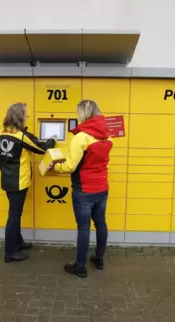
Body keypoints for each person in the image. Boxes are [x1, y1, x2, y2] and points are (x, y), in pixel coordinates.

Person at [49, 100, 112, 278]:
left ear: (83, 114)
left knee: (84, 228)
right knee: (101, 223)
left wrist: (55, 168)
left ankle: (81, 266)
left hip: (84, 190)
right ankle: (99, 259)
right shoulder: (107, 134)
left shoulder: (81, 137)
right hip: (102, 187)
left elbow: (69, 166)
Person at [0, 102, 56, 263]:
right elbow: (41, 148)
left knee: (16, 213)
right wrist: (52, 140)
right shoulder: (21, 136)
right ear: (19, 117)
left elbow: (0, 159)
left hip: (7, 179)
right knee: (14, 215)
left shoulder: (1, 133)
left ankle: (18, 242)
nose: (26, 118)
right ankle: (10, 252)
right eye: (25, 115)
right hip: (18, 182)